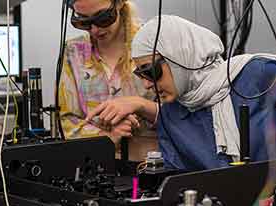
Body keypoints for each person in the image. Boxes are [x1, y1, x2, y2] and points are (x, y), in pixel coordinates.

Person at [86, 15, 276, 170]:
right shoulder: (171, 114)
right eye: (140, 74)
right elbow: (177, 178)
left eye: (150, 72)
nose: (146, 85)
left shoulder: (256, 74)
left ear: (179, 57)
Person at [58, 0, 158, 161]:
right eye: (84, 21)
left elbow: (183, 117)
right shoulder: (73, 52)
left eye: (103, 18)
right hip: (97, 168)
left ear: (119, 4)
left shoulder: (154, 43)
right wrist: (105, 137)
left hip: (149, 167)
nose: (95, 30)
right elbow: (66, 121)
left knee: (135, 187)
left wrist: (141, 105)